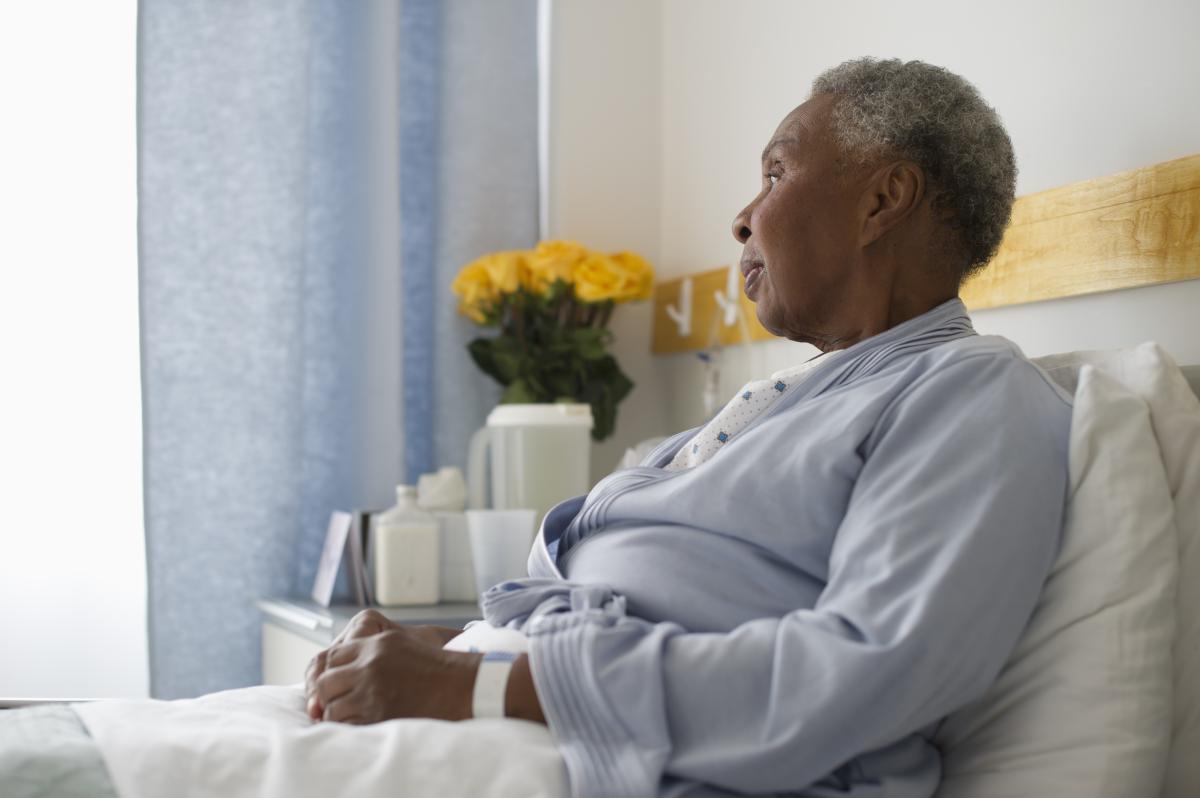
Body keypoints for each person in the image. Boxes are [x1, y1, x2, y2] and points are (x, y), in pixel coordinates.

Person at [304, 58, 1072, 797]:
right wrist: (447, 648)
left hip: (637, 760)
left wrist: (475, 685)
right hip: (538, 714)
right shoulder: (793, 399)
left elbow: (863, 674)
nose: (742, 219)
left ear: (882, 201)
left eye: (775, 174)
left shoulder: (970, 391)